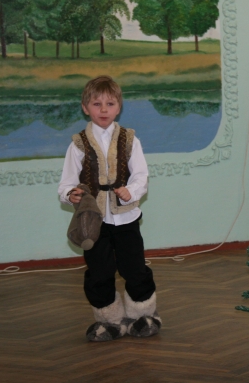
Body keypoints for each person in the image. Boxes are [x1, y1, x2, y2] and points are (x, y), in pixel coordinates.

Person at [58, 76, 160, 341]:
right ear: (85, 107)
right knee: (99, 272)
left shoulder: (130, 140)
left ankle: (143, 315)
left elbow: (141, 176)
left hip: (126, 218)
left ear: (118, 107)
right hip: (94, 221)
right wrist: (71, 194)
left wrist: (131, 192)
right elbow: (66, 184)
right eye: (96, 104)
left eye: (110, 104)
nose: (103, 109)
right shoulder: (78, 144)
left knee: (134, 268)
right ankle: (109, 320)